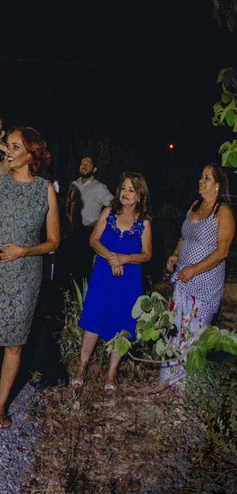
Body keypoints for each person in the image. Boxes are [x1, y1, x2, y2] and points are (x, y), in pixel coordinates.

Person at [0, 128, 60, 429]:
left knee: (14, 344)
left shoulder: (45, 190)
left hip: (25, 273)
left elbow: (54, 241)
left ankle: (1, 406)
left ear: (32, 155)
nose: (9, 151)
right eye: (9, 146)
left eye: (16, 147)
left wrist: (25, 251)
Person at [148, 164, 233, 399]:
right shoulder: (195, 206)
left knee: (194, 334)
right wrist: (176, 255)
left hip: (204, 284)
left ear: (217, 185)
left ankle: (188, 389)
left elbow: (223, 251)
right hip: (184, 280)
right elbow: (184, 236)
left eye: (206, 178)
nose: (200, 180)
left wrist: (194, 269)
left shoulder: (222, 212)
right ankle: (167, 381)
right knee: (175, 327)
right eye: (200, 176)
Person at [71, 173, 153, 391]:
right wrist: (111, 258)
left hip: (129, 280)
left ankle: (111, 374)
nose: (125, 194)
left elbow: (147, 254)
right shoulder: (108, 212)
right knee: (93, 319)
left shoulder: (144, 222)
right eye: (123, 188)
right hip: (104, 275)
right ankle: (82, 367)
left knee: (123, 322)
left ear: (140, 195)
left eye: (131, 190)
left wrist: (124, 259)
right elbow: (93, 240)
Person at [65, 157, 115, 285]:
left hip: (89, 232)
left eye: (88, 164)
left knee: (86, 271)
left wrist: (100, 222)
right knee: (71, 270)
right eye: (82, 163)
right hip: (73, 232)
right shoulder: (73, 185)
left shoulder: (99, 187)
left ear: (94, 169)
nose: (84, 166)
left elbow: (114, 206)